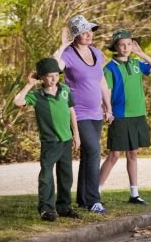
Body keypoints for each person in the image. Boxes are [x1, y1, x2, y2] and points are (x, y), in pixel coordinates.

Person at [52, 15, 113, 214]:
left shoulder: (96, 52)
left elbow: (102, 82)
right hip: (78, 112)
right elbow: (53, 69)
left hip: (96, 113)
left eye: (90, 31)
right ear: (75, 35)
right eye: (84, 31)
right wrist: (61, 46)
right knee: (94, 152)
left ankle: (84, 199)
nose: (89, 34)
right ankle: (94, 200)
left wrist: (108, 107)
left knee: (89, 155)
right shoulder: (68, 54)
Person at [98, 29, 151, 205]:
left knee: (133, 153)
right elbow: (106, 91)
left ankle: (134, 194)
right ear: (115, 47)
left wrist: (141, 53)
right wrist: (107, 110)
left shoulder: (136, 63)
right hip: (119, 115)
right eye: (122, 45)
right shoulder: (110, 68)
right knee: (114, 155)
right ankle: (95, 192)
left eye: (129, 44)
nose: (126, 48)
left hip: (138, 115)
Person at [14, 58, 81, 222]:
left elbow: (71, 111)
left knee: (66, 176)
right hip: (50, 143)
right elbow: (18, 101)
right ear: (41, 77)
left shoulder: (65, 90)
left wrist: (76, 135)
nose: (54, 79)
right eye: (49, 76)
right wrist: (29, 84)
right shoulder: (36, 95)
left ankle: (64, 207)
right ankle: (46, 209)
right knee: (46, 177)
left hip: (66, 141)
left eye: (56, 75)